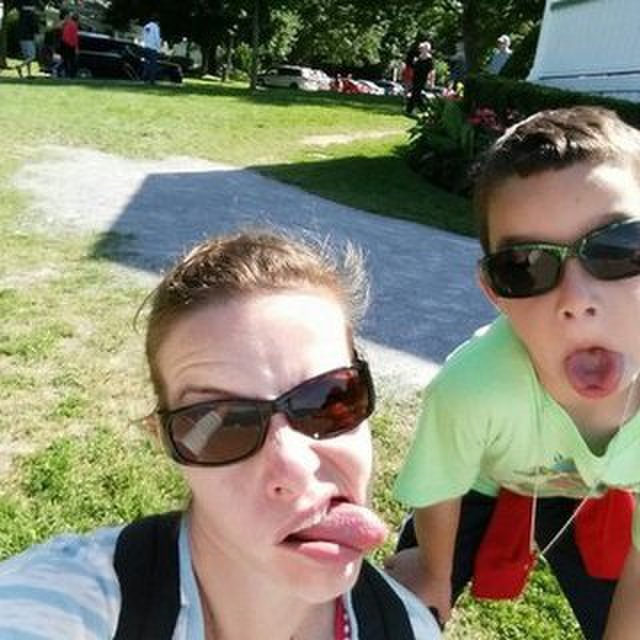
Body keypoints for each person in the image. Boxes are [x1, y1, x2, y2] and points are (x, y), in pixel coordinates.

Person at [0, 230, 441, 639]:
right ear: (167, 443)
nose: (294, 467)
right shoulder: (61, 607)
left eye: (328, 399)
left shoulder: (410, 629)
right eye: (222, 425)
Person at [386, 106, 640, 640]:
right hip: (481, 481)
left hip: (596, 491)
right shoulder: (472, 388)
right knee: (404, 610)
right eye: (524, 267)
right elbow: (441, 486)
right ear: (495, 293)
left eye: (620, 248)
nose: (576, 300)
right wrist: (432, 572)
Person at [405, 41, 434, 117]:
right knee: (416, 95)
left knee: (415, 94)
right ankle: (424, 110)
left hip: (422, 79)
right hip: (415, 78)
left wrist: (431, 82)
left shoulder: (429, 59)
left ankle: (410, 110)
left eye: (422, 48)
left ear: (427, 49)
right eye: (420, 48)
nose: (420, 49)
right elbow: (413, 67)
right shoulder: (418, 58)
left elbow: (431, 71)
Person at [14, 4, 39, 79]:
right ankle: (20, 66)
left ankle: (29, 73)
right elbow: (34, 27)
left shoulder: (21, 16)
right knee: (32, 56)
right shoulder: (31, 16)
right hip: (29, 38)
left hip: (21, 38)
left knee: (27, 58)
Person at [142, 14, 162, 84]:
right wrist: (159, 47)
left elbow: (143, 37)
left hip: (145, 47)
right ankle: (152, 80)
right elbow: (157, 38)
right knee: (153, 65)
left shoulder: (146, 26)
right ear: (157, 21)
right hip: (152, 48)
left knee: (147, 64)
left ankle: (144, 79)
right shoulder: (155, 27)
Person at [60, 12, 80, 78]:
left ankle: (66, 73)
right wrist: (76, 48)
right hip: (70, 44)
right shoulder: (74, 25)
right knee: (72, 60)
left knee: (65, 59)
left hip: (64, 43)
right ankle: (71, 74)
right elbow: (75, 37)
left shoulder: (67, 24)